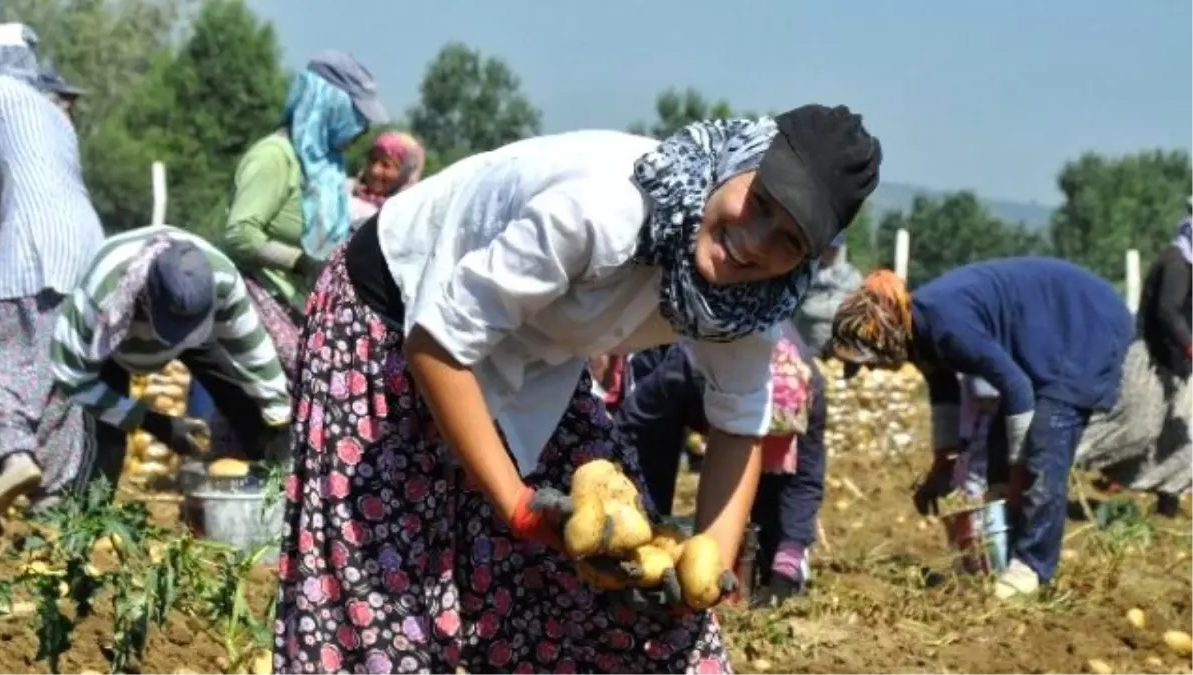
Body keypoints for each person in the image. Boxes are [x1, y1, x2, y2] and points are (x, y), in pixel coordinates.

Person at [273, 105, 882, 672]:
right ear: (739, 162)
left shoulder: (750, 303)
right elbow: (437, 343)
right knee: (385, 604)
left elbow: (739, 424)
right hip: (393, 318)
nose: (754, 242)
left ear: (806, 260)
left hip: (538, 359)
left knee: (630, 606)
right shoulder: (605, 208)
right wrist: (515, 503)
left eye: (789, 240)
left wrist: (707, 572)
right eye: (761, 203)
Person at [828, 258, 1135, 600]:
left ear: (886, 336)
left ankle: (1031, 565)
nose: (872, 370)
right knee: (998, 445)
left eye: (871, 361)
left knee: (1044, 444)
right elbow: (943, 391)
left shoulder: (946, 324)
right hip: (1050, 339)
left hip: (1084, 324)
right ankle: (1003, 546)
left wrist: (1018, 470)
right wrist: (943, 465)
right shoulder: (916, 329)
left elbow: (1016, 387)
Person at [217, 50, 386, 454]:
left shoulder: (325, 166)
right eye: (355, 115)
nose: (362, 128)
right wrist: (299, 262)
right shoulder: (274, 158)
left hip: (302, 300)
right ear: (329, 105)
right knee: (300, 388)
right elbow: (238, 233)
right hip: (259, 294)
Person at [49, 225, 292, 487]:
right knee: (105, 446)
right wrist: (152, 421)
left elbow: (254, 355)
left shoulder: (223, 279)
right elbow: (71, 376)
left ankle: (270, 495)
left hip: (197, 327)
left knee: (246, 403)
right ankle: (87, 517)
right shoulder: (103, 293)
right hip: (113, 342)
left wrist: (278, 420)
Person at [615, 327, 827, 603]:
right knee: (648, 486)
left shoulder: (811, 390)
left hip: (742, 401)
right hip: (690, 383)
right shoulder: (683, 368)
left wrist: (788, 559)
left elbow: (804, 479)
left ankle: (770, 569)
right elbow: (632, 429)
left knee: (776, 540)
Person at [0, 24, 104, 514]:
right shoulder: (53, 113)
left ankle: (13, 452)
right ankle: (51, 512)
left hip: (32, 246)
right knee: (60, 378)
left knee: (4, 357)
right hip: (87, 249)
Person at [1075, 211, 1193, 518]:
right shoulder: (1176, 263)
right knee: (1136, 427)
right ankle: (1056, 457)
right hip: (1153, 360)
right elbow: (1168, 312)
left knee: (1180, 438)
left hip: (1179, 366)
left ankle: (1167, 496)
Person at [792, 232, 862, 356]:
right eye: (826, 248)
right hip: (807, 345)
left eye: (833, 248)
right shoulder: (805, 274)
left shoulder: (851, 276)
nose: (829, 252)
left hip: (841, 349)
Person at [348, 130, 425, 227]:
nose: (374, 170)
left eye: (386, 165)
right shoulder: (344, 192)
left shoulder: (407, 220)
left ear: (405, 174)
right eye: (373, 160)